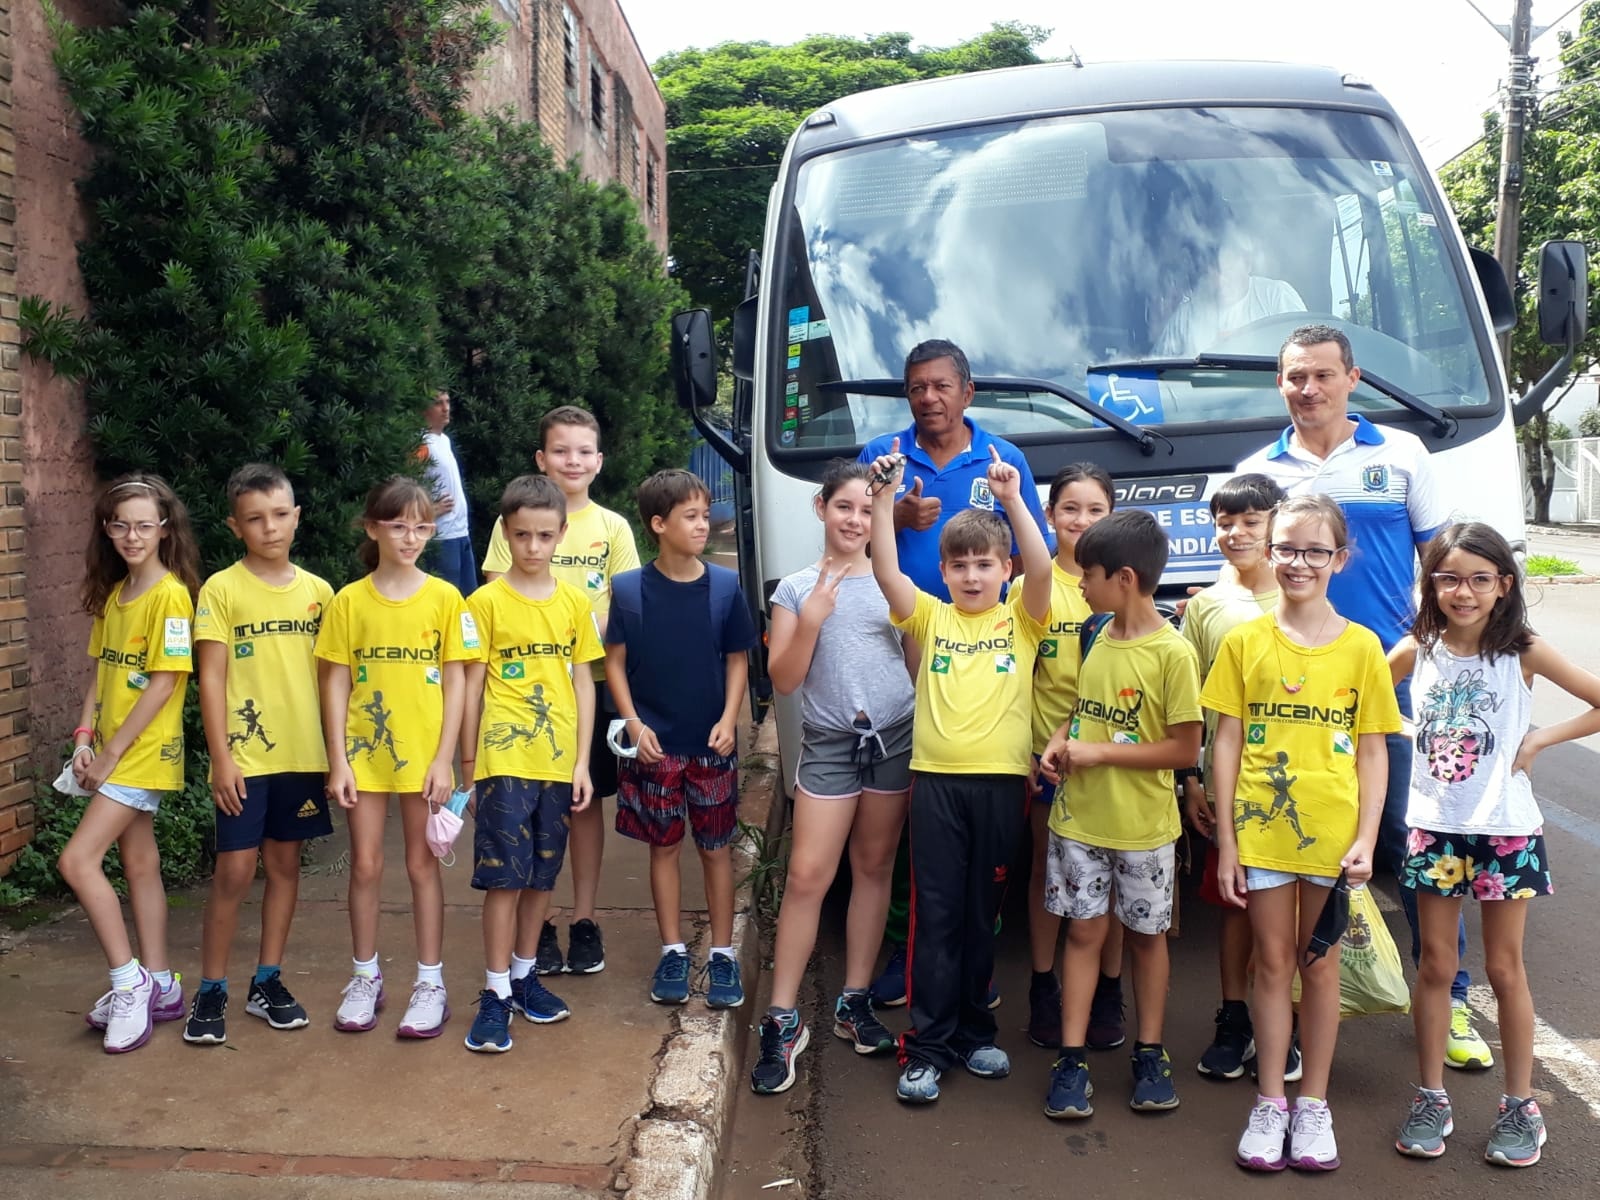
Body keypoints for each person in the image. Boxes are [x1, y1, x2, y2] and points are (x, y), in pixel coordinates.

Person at [1236, 323, 1491, 1071]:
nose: (1308, 388)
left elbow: (1445, 566)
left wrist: (1439, 656)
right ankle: (1283, 1020)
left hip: (1392, 686)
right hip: (1291, 700)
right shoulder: (1257, 470)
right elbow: (1245, 569)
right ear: (1280, 384)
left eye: (1322, 374)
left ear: (1353, 379)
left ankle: (1451, 997)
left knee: (1413, 845)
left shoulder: (1403, 455)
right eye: (1295, 376)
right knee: (1285, 853)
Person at [1390, 523, 1600, 1167]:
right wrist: (1405, 729)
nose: (1464, 592)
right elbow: (1357, 697)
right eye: (1450, 578)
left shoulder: (1522, 649)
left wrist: (1537, 740)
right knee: (1435, 965)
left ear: (1504, 585)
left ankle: (1519, 1107)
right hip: (1434, 826)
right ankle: (1431, 1097)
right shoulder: (1418, 647)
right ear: (1431, 584)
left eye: (1480, 579)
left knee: (1505, 969)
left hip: (1506, 829)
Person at [1205, 494, 1401, 1172]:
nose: (1299, 562)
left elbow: (1373, 750)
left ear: (1339, 559)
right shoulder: (1243, 641)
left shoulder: (1363, 647)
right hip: (1260, 834)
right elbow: (1225, 742)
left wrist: (1368, 837)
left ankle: (1313, 1103)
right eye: (1287, 548)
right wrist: (1228, 841)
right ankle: (1270, 1102)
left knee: (1318, 966)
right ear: (1270, 551)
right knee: (1270, 963)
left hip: (1332, 837)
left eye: (1316, 550)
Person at [857, 338, 1050, 1007]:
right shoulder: (883, 455)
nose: (929, 398)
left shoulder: (1002, 460)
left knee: (983, 868)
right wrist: (893, 509)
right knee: (911, 831)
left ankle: (975, 970)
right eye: (917, 387)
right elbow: (861, 538)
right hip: (904, 636)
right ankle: (907, 956)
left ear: (968, 392)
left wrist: (1010, 500)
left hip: (986, 658)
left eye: (941, 386)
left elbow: (1036, 559)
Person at [868, 439, 1052, 1105]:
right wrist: (883, 498)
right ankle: (928, 1046)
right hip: (937, 786)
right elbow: (885, 568)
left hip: (1001, 787)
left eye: (985, 564)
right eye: (961, 565)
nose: (973, 576)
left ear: (1005, 570)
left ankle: (976, 1034)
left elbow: (1043, 563)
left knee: (982, 916)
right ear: (943, 571)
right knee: (937, 915)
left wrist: (1012, 500)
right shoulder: (930, 614)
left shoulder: (1023, 620)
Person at [749, 462, 913, 1095]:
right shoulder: (794, 590)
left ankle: (854, 1000)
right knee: (807, 877)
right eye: (844, 506)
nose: (855, 520)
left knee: (874, 869)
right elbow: (784, 680)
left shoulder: (895, 585)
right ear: (821, 508)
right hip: (829, 745)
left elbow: (917, 666)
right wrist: (814, 617)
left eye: (867, 510)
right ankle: (782, 1018)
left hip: (894, 740)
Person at [1038, 510, 1203, 1119]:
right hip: (1078, 821)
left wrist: (1099, 752)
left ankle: (1150, 1053)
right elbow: (1084, 709)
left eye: (1089, 575)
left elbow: (1184, 749)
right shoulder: (1094, 633)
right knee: (1083, 934)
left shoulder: (1173, 654)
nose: (1081, 585)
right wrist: (1061, 739)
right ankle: (1071, 1057)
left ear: (1125, 578)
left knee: (1146, 940)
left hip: (1144, 829)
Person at [315, 477, 477, 1038]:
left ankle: (430, 983)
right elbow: (335, 682)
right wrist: (338, 760)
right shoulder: (348, 601)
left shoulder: (445, 599)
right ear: (372, 528)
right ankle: (365, 976)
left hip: (424, 758)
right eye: (398, 525)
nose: (411, 537)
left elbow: (457, 682)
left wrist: (444, 759)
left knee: (421, 865)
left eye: (422, 526)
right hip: (363, 757)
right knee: (364, 865)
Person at [481, 405, 640, 977]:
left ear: (599, 461)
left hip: (589, 685)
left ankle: (584, 918)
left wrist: (578, 635)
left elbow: (625, 606)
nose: (572, 461)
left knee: (583, 802)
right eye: (560, 450)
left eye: (583, 451)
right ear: (541, 459)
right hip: (522, 694)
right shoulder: (515, 522)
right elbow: (499, 598)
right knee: (527, 812)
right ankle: (539, 926)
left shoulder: (613, 528)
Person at [184, 465, 334, 1045]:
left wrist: (336, 755)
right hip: (244, 761)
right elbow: (211, 678)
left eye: (278, 515)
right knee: (235, 871)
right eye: (254, 518)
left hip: (302, 756)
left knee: (285, 868)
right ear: (235, 526)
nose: (269, 528)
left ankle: (267, 980)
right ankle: (211, 987)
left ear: (297, 517)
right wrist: (221, 758)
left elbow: (332, 681)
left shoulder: (320, 593)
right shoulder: (221, 590)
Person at [459, 475, 602, 1052]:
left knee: (543, 874)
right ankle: (495, 991)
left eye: (545, 535)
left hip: (558, 764)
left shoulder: (574, 603)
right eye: (522, 535)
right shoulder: (484, 604)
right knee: (504, 879)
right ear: (505, 533)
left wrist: (582, 763)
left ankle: (523, 977)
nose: (534, 546)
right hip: (503, 762)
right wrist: (468, 765)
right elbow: (470, 688)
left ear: (561, 534)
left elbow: (584, 684)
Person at [606, 470, 757, 1009]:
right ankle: (672, 951)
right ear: (658, 524)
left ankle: (722, 954)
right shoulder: (629, 590)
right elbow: (615, 662)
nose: (702, 525)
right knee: (664, 847)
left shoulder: (724, 587)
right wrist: (633, 721)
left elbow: (737, 658)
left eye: (704, 514)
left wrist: (730, 718)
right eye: (690, 516)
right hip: (654, 748)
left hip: (711, 746)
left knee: (716, 849)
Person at [65, 475, 199, 1053]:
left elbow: (165, 682)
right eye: (120, 525)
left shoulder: (171, 596)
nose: (132, 536)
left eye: (145, 525)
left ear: (165, 529)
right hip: (111, 752)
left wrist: (112, 753)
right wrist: (83, 740)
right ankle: (162, 984)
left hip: (142, 754)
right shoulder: (115, 594)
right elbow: (100, 675)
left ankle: (129, 981)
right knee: (140, 863)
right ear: (106, 528)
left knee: (77, 861)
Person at [1178, 473, 1288, 1081]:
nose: (1237, 533)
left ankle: (1284, 1023)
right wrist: (1192, 781)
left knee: (1290, 913)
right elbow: (1190, 703)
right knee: (1236, 905)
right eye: (1225, 523)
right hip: (1229, 785)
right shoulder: (1205, 607)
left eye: (1251, 521)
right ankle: (1234, 1018)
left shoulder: (1303, 596)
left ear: (1277, 523)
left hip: (1296, 788)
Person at [1020, 464, 1118, 1051]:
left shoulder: (1124, 587)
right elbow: (1017, 680)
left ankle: (1109, 988)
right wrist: (1027, 756)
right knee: (1046, 870)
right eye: (1070, 509)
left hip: (1111, 761)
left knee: (1111, 880)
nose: (1081, 521)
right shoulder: (1033, 586)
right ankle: (1042, 984)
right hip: (1047, 758)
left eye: (1095, 510)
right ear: (1050, 515)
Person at [1154, 229, 1306, 356]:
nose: (1220, 279)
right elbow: (1157, 367)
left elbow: (1308, 355)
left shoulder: (1276, 297)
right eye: (1212, 270)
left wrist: (1249, 344)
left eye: (1227, 268)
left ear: (1247, 263)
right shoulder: (1186, 316)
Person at [420, 389, 477, 598]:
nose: (445, 408)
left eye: (447, 401)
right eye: (438, 403)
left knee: (467, 600)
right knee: (446, 599)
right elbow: (403, 485)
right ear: (423, 409)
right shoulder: (420, 443)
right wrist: (428, 510)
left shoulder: (443, 440)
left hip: (461, 532)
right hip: (441, 537)